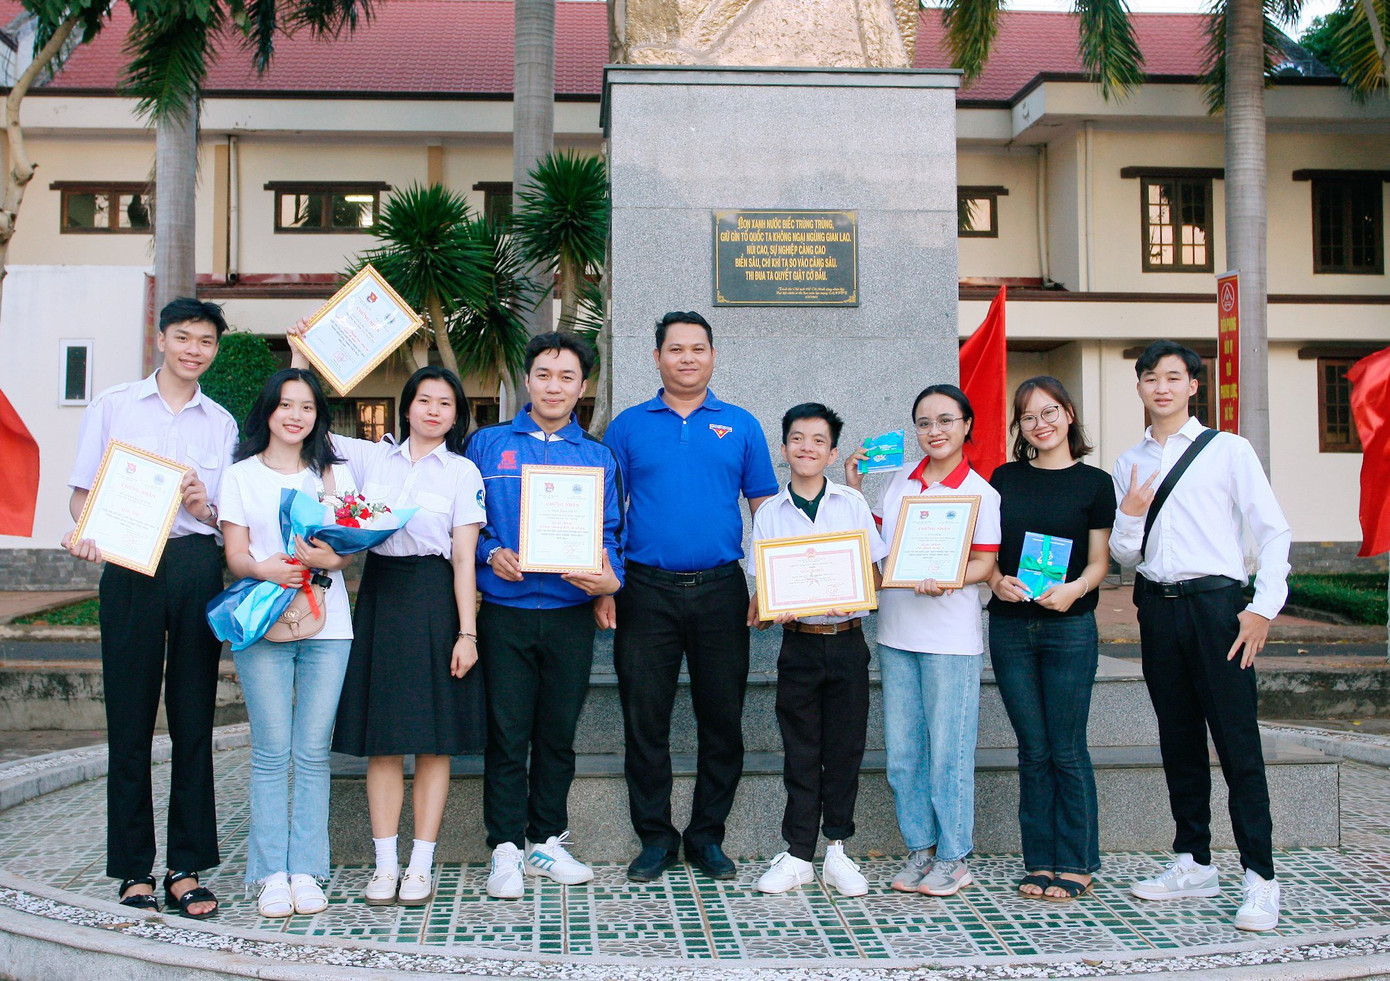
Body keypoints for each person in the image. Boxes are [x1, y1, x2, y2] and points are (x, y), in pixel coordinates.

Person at [287, 323, 487, 909]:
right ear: (407, 408)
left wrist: (468, 631)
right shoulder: (372, 459)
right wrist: (302, 358)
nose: (433, 409)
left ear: (456, 416)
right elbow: (310, 425)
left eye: (445, 403)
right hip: (381, 596)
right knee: (383, 742)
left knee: (434, 743)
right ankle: (383, 864)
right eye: (423, 399)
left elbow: (464, 561)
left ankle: (421, 866)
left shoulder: (462, 474)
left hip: (436, 599)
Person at [63, 297, 236, 919]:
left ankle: (186, 867)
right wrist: (86, 533)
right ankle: (134, 870)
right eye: (184, 337)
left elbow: (223, 518)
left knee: (194, 720)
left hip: (194, 569)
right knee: (129, 723)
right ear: (161, 339)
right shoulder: (113, 405)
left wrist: (202, 507)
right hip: (130, 568)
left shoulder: (219, 422)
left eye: (206, 341)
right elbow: (84, 494)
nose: (194, 349)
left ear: (214, 350)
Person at [1111, 340, 1291, 933]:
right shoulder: (1129, 461)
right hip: (1158, 610)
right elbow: (1125, 554)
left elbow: (1273, 532)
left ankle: (1260, 880)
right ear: (1138, 387)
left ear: (1193, 385)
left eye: (1173, 377)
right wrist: (1132, 511)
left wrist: (1261, 609)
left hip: (1218, 609)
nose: (1160, 387)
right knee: (1178, 739)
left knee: (1237, 744)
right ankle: (1192, 861)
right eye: (1149, 378)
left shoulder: (1228, 451)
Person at [599, 311, 779, 883]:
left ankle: (706, 837)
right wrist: (606, 585)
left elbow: (765, 514)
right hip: (644, 590)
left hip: (722, 590)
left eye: (698, 348)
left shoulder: (741, 425)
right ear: (656, 357)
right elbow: (602, 512)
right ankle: (655, 838)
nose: (687, 358)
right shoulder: (627, 426)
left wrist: (766, 584)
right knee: (643, 718)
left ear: (712, 355)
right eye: (675, 349)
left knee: (721, 719)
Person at [464, 332, 624, 900]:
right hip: (504, 613)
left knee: (557, 734)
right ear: (527, 380)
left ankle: (545, 841)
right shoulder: (486, 445)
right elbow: (464, 522)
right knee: (506, 733)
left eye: (566, 378)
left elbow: (612, 536)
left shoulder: (597, 457)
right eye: (543, 375)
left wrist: (612, 580)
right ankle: (504, 848)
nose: (553, 387)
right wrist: (489, 552)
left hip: (568, 616)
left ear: (583, 387)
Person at [845, 384, 1000, 898]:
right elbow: (880, 550)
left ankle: (955, 856)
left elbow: (985, 563)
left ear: (966, 425)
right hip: (896, 633)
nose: (934, 431)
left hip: (951, 639)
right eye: (925, 422)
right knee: (905, 752)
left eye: (945, 421)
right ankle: (921, 848)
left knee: (948, 752)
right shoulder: (897, 486)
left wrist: (951, 577)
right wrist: (854, 489)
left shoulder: (982, 490)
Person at [218, 368, 356, 918]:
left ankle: (309, 871)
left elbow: (346, 552)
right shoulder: (240, 476)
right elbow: (234, 557)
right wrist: (264, 568)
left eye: (307, 407)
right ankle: (271, 872)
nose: (296, 415)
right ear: (268, 412)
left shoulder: (332, 476)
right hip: (262, 624)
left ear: (317, 416)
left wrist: (326, 558)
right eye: (286, 405)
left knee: (313, 751)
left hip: (329, 625)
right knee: (272, 752)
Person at [748, 403, 887, 898]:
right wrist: (772, 605)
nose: (807, 447)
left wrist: (853, 583)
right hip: (798, 645)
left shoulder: (851, 503)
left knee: (845, 748)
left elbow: (876, 575)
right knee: (801, 751)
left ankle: (838, 851)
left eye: (818, 440)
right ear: (783, 449)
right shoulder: (768, 514)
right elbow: (760, 599)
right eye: (798, 438)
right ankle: (798, 852)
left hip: (848, 642)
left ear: (831, 451)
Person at [985, 377, 1114, 902]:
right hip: (1011, 626)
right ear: (1021, 427)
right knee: (1032, 749)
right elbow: (990, 555)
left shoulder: (1095, 483)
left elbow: (1102, 560)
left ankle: (1078, 860)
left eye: (1050, 411)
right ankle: (1039, 859)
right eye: (1029, 416)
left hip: (1070, 626)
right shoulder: (1004, 479)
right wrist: (996, 582)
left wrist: (1076, 587)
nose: (1041, 423)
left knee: (1066, 747)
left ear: (1069, 414)